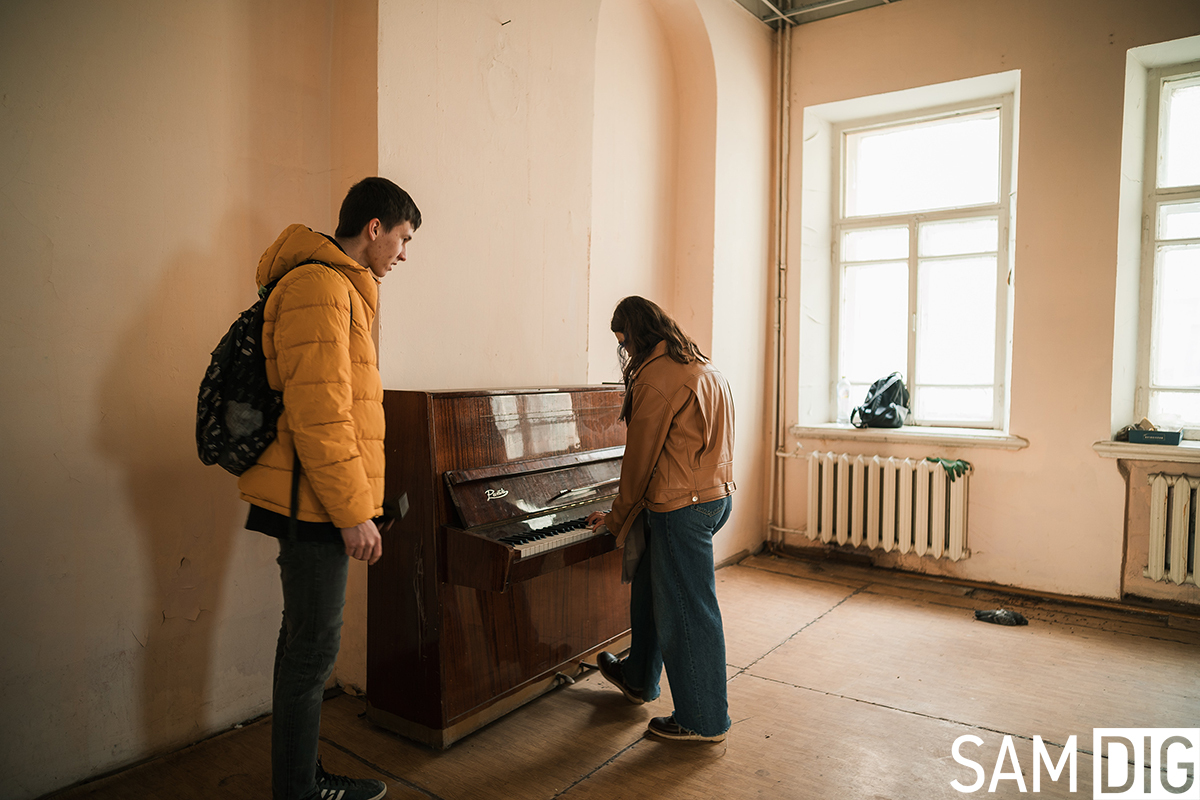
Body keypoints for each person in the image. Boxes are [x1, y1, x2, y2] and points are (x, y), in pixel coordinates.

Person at [238, 177, 420, 800]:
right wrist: (351, 512)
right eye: (402, 239)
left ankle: (300, 780)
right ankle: (299, 791)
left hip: (315, 497)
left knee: (303, 647)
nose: (402, 254)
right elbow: (321, 413)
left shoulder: (339, 287)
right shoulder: (320, 286)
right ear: (375, 228)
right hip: (313, 503)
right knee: (313, 652)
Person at [585, 296, 736, 743]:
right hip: (714, 496)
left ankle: (702, 720)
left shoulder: (654, 380)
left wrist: (616, 519)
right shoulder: (700, 363)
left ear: (637, 335)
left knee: (689, 613)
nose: (626, 353)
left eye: (625, 343)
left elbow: (639, 463)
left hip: (679, 507)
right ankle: (638, 677)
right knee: (653, 586)